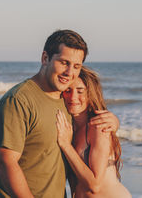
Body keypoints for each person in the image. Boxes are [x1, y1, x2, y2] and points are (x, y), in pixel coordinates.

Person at [0, 30, 119, 198]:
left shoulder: (65, 98)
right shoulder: (18, 100)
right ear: (45, 58)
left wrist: (114, 122)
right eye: (64, 62)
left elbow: (86, 124)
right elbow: (5, 163)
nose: (69, 72)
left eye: (76, 66)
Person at [56, 66, 132, 198]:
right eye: (68, 90)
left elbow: (94, 185)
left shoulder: (98, 127)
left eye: (80, 91)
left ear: (90, 94)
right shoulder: (68, 127)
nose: (73, 97)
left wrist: (66, 145)